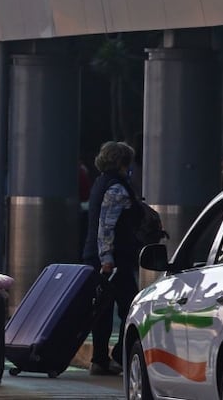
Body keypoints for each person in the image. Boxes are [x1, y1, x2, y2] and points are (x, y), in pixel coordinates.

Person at [82, 141, 141, 376]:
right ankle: (117, 356)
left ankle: (100, 360)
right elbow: (107, 227)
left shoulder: (100, 183)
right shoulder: (116, 188)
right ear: (121, 162)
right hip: (112, 260)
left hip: (98, 257)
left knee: (103, 311)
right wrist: (107, 258)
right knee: (131, 307)